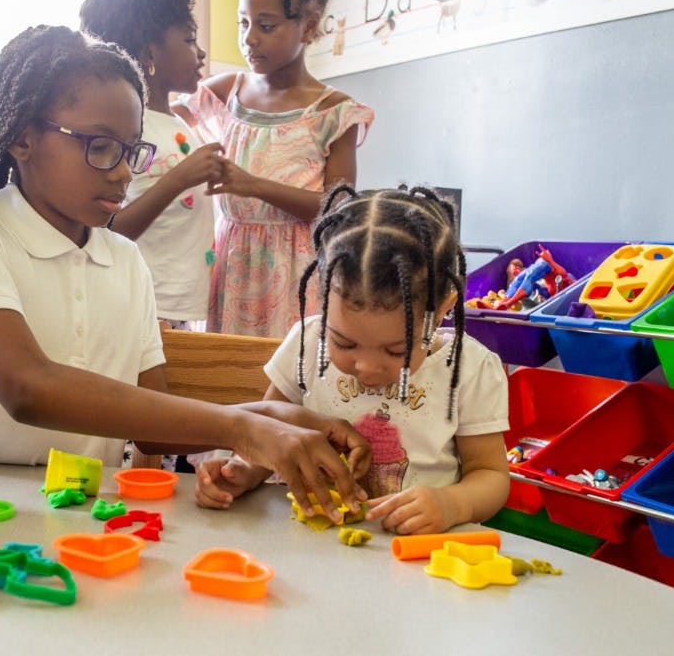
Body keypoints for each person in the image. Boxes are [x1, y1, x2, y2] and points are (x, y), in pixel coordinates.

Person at [0, 25, 369, 520]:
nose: (122, 172)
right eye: (100, 146)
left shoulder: (124, 259)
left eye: (131, 149)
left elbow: (152, 422)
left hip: (79, 519)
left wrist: (273, 416)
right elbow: (25, 386)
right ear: (24, 138)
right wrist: (242, 428)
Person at [195, 187, 511, 535]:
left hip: (418, 553)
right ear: (323, 295)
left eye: (395, 351)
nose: (367, 368)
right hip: (311, 543)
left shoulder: (469, 369)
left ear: (442, 311)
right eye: (344, 343)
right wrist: (243, 470)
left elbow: (491, 476)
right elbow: (270, 436)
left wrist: (453, 504)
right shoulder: (306, 345)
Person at [177, 0, 374, 338]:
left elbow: (338, 208)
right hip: (231, 266)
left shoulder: (334, 111)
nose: (249, 38)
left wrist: (254, 186)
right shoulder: (225, 91)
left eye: (266, 26)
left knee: (285, 366)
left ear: (308, 27)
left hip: (296, 275)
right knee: (225, 365)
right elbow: (157, 120)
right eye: (243, 23)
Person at [80, 0, 222, 332]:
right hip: (144, 306)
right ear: (150, 54)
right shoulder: (129, 128)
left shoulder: (176, 121)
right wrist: (179, 179)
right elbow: (107, 231)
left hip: (178, 309)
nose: (201, 52)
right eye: (189, 39)